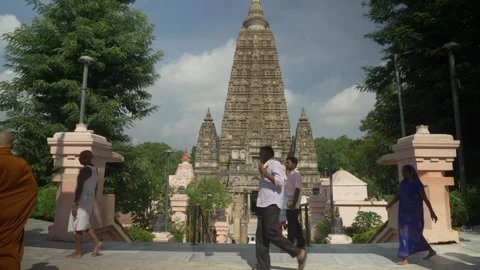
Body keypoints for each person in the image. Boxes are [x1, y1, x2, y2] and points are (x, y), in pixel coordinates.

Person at [253, 146, 306, 270]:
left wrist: (265, 172)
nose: (259, 156)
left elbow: (280, 181)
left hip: (271, 204)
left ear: (268, 154)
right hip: (262, 203)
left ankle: (298, 252)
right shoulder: (266, 165)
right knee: (261, 237)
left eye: (261, 153)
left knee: (271, 232)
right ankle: (262, 266)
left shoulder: (275, 164)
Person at [0, 131, 38, 270]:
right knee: (9, 251)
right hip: (11, 217)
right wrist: (19, 210)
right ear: (13, 146)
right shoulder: (20, 164)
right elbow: (31, 189)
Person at [386, 164, 438, 265]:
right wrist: (391, 203)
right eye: (403, 171)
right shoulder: (403, 184)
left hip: (415, 214)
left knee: (413, 233)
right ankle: (430, 251)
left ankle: (404, 258)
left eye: (405, 171)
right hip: (403, 213)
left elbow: (425, 198)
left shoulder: (417, 184)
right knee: (404, 233)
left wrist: (432, 211)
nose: (403, 173)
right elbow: (399, 195)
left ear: (411, 173)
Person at [66, 150, 102, 258]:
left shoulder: (85, 170)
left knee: (78, 225)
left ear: (86, 158)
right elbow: (95, 187)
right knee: (83, 222)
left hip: (83, 199)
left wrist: (75, 202)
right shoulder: (96, 170)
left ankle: (78, 252)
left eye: (80, 157)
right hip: (89, 199)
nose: (79, 159)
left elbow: (80, 187)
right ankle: (97, 242)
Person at [284, 157, 305, 249]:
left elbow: (297, 189)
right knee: (294, 223)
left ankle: (290, 244)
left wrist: (294, 203)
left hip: (292, 202)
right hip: (289, 202)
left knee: (292, 224)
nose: (286, 164)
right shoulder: (290, 175)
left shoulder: (296, 175)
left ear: (294, 164)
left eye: (288, 163)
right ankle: (301, 242)